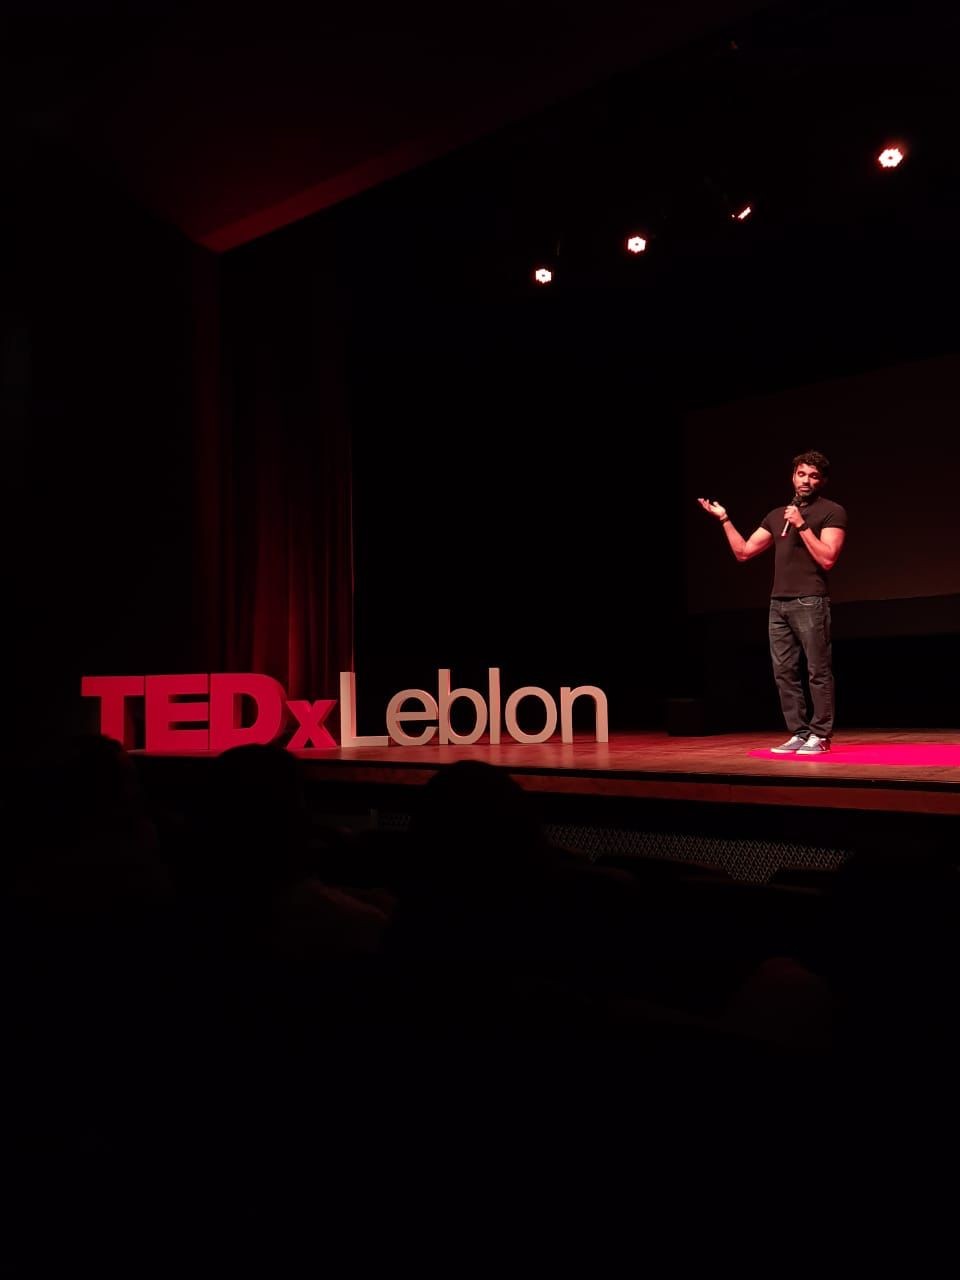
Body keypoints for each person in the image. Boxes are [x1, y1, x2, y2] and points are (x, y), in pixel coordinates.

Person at [698, 450, 847, 754]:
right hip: (778, 604)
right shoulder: (777, 514)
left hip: (810, 601)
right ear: (793, 476)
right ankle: (799, 732)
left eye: (814, 475)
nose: (806, 480)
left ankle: (821, 734)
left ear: (822, 481)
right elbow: (743, 552)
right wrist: (724, 519)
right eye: (802, 474)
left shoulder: (832, 512)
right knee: (784, 672)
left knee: (817, 670)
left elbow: (828, 558)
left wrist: (802, 525)